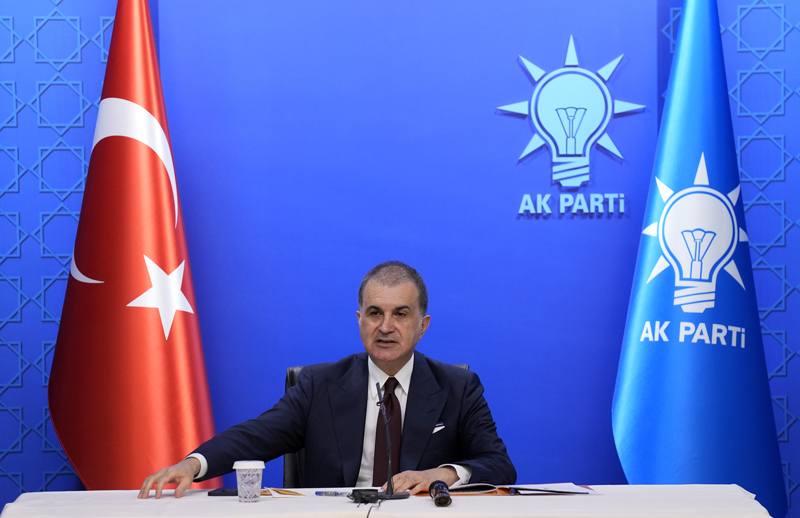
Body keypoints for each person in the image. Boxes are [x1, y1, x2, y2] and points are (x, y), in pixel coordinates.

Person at [139, 261, 516, 498]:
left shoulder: (458, 387)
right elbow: (256, 435)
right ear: (360, 320)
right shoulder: (319, 385)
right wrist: (194, 464)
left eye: (400, 314)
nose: (385, 327)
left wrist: (443, 474)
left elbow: (499, 465)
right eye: (374, 313)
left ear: (423, 326)